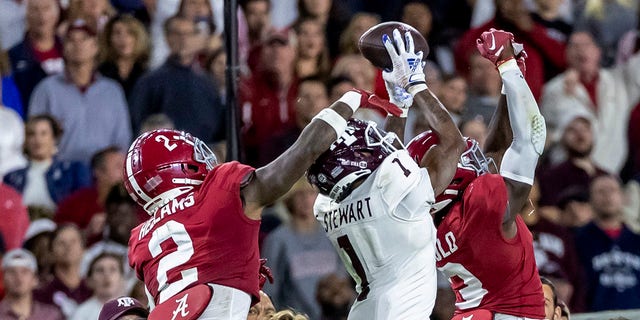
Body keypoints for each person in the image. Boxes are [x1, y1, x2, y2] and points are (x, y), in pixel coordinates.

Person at [124, 75, 403, 318]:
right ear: (180, 165)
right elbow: (300, 154)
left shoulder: (141, 238)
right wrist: (347, 101)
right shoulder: (217, 192)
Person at [308, 28, 467, 319]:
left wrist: (399, 105)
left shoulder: (324, 203)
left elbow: (386, 163)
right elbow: (453, 143)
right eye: (361, 146)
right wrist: (417, 84)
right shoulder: (392, 194)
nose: (370, 143)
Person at [407, 28, 547, 319]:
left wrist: (510, 86)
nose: (468, 151)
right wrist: (508, 67)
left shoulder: (431, 220)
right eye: (454, 156)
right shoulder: (480, 206)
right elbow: (530, 141)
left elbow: (495, 150)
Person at [28, 18, 132, 164]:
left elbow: (122, 138)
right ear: (64, 47)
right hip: (60, 170)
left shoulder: (112, 90)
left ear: (95, 46)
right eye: (71, 40)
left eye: (84, 39)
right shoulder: (46, 89)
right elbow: (33, 134)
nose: (78, 45)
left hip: (103, 172)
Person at [575, 174, 640, 311]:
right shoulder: (578, 240)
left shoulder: (636, 240)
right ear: (590, 199)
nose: (607, 196)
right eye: (600, 191)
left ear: (623, 197)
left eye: (612, 190)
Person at [3, 115, 91, 215]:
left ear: (54, 139)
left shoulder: (73, 171)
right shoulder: (11, 177)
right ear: (25, 141)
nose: (37, 139)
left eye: (43, 133)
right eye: (32, 134)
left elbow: (83, 208)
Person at [0, 249, 63, 320]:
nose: (18, 278)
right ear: (3, 279)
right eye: (12, 272)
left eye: (24, 272)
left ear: (35, 279)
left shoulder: (51, 315)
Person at [71, 253, 126, 320]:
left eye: (113, 269)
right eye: (100, 270)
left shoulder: (134, 310)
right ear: (89, 281)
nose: (106, 275)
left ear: (122, 279)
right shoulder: (81, 314)